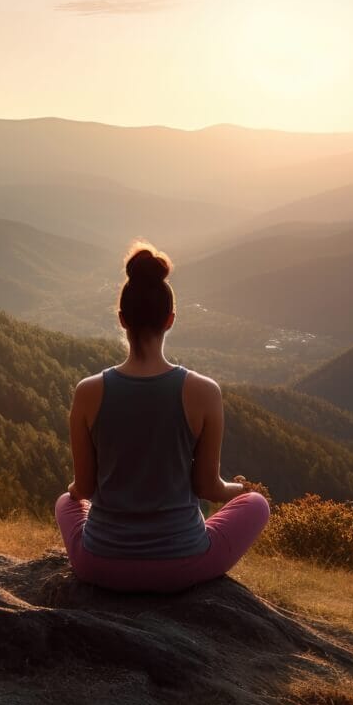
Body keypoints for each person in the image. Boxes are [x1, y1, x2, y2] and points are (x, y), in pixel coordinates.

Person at [54, 242, 270, 592]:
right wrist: (239, 489)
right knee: (256, 504)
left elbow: (84, 489)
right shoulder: (204, 392)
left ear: (122, 319)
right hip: (181, 564)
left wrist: (72, 490)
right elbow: (207, 488)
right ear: (170, 319)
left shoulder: (87, 392)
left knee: (65, 502)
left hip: (99, 564)